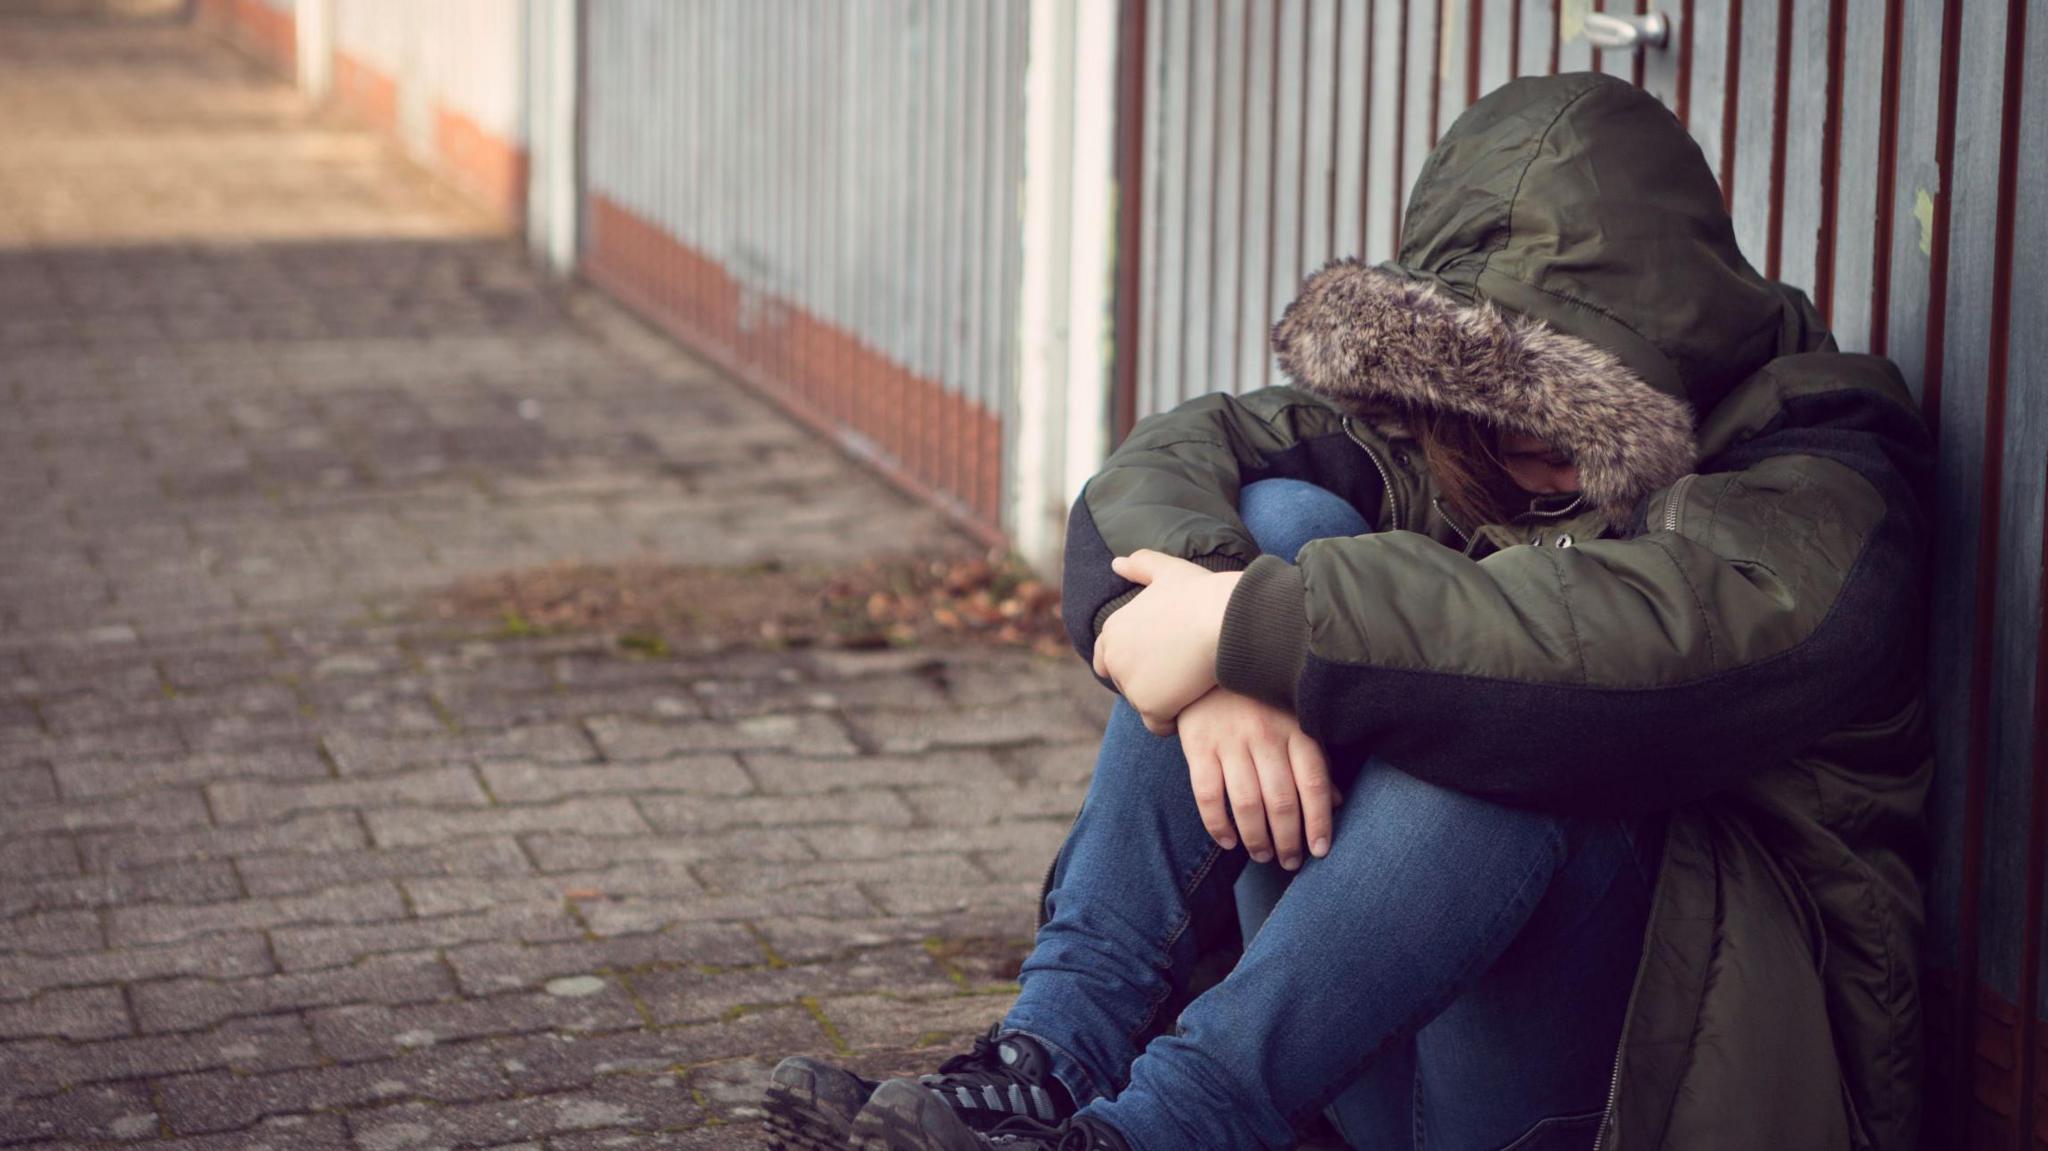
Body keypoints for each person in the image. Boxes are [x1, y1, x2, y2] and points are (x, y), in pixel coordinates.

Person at [762, 71, 1932, 1151]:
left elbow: (1615, 647)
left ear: (1662, 352)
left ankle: (1163, 1126)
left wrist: (1243, 633)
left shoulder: (1817, 469)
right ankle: (1051, 1063)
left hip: (1647, 1085)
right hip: (1365, 1047)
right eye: (1479, 389)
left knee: (1498, 713)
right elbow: (1182, 456)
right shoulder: (1435, 431)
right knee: (1271, 518)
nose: (1509, 432)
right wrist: (1215, 669)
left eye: (1559, 392)